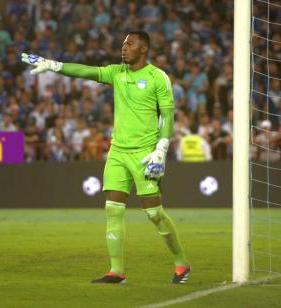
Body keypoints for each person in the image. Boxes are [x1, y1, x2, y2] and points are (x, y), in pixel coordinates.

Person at [22, 30, 190, 284]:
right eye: (123, 44)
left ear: (143, 49)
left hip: (145, 154)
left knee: (154, 213)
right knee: (113, 210)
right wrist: (54, 66)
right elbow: (86, 71)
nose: (124, 48)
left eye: (130, 44)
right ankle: (116, 271)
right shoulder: (116, 73)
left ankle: (181, 264)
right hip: (118, 153)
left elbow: (167, 115)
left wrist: (161, 149)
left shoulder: (158, 77)